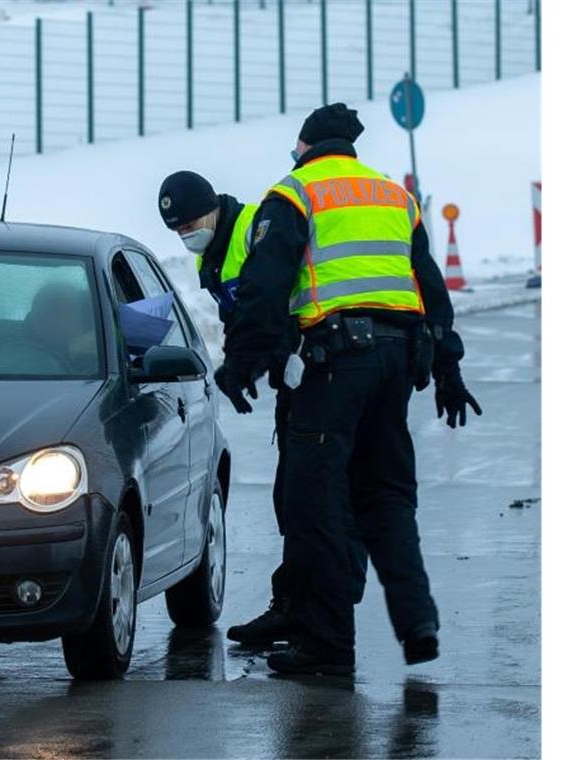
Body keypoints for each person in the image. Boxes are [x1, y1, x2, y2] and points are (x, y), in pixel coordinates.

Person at [218, 103, 482, 675]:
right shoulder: (393, 195)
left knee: (313, 505)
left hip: (335, 365)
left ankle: (326, 646)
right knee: (386, 498)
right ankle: (417, 623)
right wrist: (448, 367)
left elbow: (265, 289)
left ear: (306, 145)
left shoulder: (297, 192)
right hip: (396, 365)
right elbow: (429, 286)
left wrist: (241, 362)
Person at [158, 170, 368, 647]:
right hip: (294, 377)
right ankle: (297, 604)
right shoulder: (211, 257)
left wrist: (248, 364)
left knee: (315, 495)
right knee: (292, 498)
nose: (187, 234)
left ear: (213, 206)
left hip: (321, 369)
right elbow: (246, 318)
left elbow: (273, 302)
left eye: (191, 222)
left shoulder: (258, 229)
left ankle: (324, 602)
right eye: (177, 230)